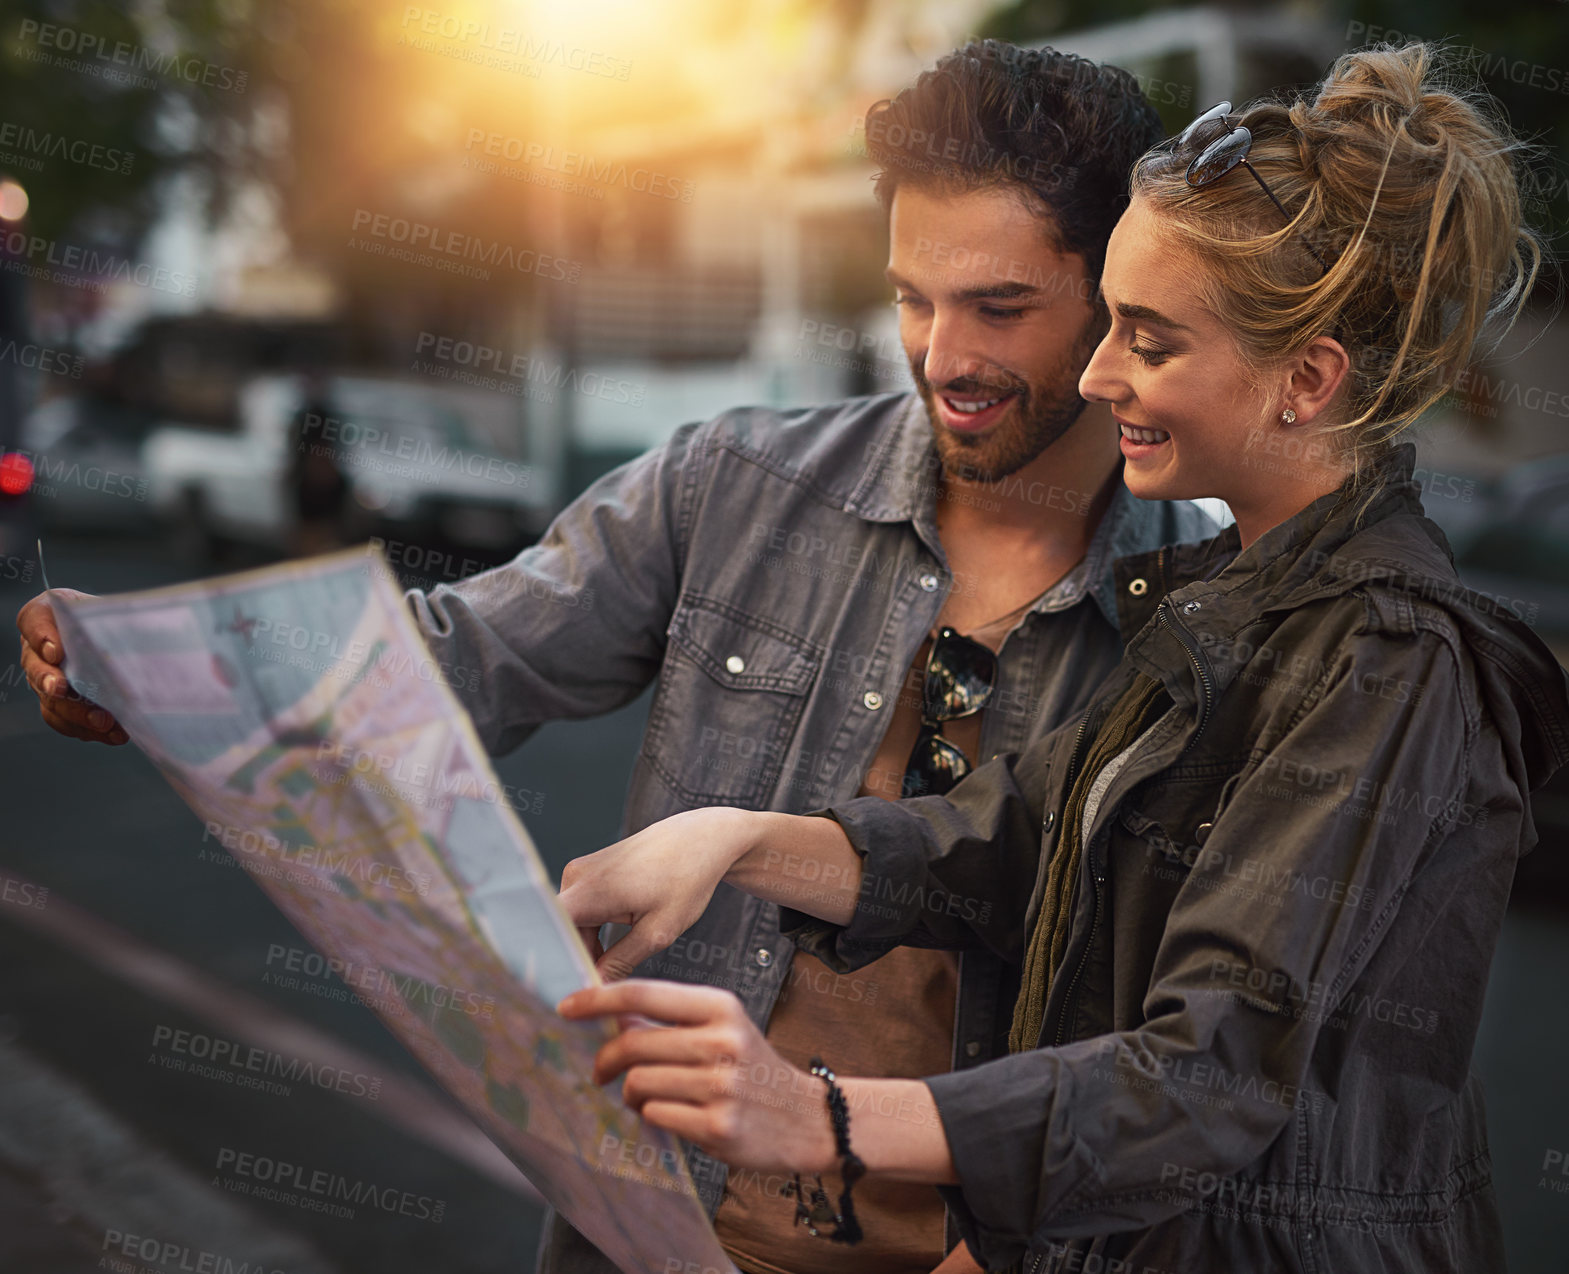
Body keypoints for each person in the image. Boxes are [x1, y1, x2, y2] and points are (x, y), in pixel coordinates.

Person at [15, 40, 1215, 1274]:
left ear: (1116, 293)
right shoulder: (733, 486)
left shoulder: (1208, 608)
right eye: (915, 296)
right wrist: (170, 662)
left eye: (1000, 307)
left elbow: (1185, 1050)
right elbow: (462, 653)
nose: (943, 354)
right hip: (655, 1227)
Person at [554, 42, 1569, 1273]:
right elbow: (1012, 837)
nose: (1097, 376)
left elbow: (1207, 1078)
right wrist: (726, 838)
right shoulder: (1224, 601)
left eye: (1146, 339)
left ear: (1305, 379)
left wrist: (810, 1112)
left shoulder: (1385, 663)